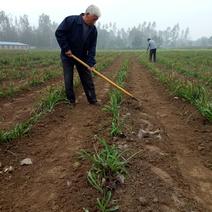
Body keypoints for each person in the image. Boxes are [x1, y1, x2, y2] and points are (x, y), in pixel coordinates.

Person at [55, 5, 101, 106]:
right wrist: (66, 48)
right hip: (68, 56)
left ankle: (92, 100)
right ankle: (71, 101)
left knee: (87, 78)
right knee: (68, 79)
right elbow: (59, 33)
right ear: (87, 14)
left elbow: (92, 47)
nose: (94, 22)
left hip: (82, 56)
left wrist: (90, 63)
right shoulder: (71, 21)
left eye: (96, 20)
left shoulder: (93, 30)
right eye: (93, 20)